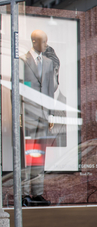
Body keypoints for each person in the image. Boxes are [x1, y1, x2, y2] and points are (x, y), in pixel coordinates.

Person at [20, 29, 59, 205]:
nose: (46, 45)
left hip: (43, 114)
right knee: (26, 154)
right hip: (28, 113)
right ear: (34, 42)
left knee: (39, 155)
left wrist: (51, 114)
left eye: (46, 41)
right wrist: (19, 114)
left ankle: (37, 192)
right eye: (43, 42)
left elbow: (50, 89)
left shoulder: (49, 63)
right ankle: (24, 192)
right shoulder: (22, 61)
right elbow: (20, 88)